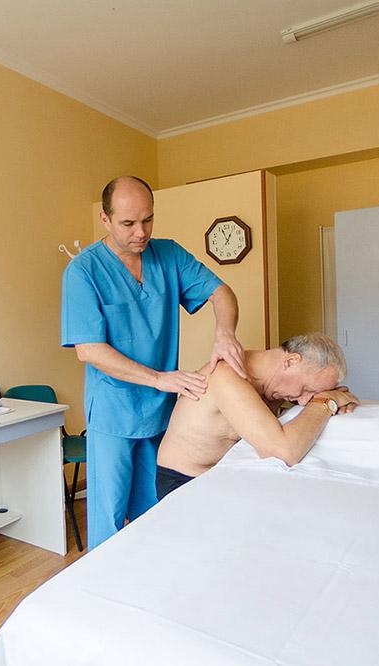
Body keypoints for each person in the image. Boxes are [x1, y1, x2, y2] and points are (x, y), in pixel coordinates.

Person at [61, 175, 246, 549]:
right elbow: (90, 349)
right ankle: (106, 579)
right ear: (105, 219)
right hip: (113, 412)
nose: (141, 232)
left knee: (157, 508)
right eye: (128, 223)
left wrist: (225, 333)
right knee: (110, 517)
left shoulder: (169, 255)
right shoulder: (83, 271)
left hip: (161, 412)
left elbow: (222, 292)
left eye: (148, 220)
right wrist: (160, 378)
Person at [156, 333, 360, 499]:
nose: (305, 400)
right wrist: (326, 402)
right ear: (291, 361)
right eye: (308, 389)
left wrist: (333, 399)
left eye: (314, 394)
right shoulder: (226, 376)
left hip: (226, 475)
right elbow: (284, 452)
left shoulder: (276, 385)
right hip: (184, 481)